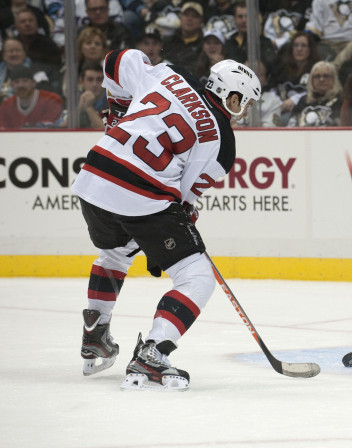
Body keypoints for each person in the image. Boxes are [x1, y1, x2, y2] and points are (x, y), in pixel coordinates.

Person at [72, 50, 261, 391]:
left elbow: (117, 59)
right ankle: (153, 352)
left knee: (115, 253)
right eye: (245, 102)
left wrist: (117, 114)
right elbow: (183, 198)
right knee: (196, 276)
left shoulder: (171, 74)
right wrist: (174, 234)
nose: (245, 110)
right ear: (233, 97)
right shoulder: (223, 142)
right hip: (139, 192)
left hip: (93, 176)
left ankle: (95, 335)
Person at [270, 32, 321, 118]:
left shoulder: (317, 69)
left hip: (303, 111)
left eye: (303, 46)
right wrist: (278, 102)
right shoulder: (281, 67)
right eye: (296, 45)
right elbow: (271, 88)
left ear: (310, 49)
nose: (299, 49)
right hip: (279, 108)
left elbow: (318, 92)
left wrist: (295, 99)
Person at [224, 2, 278, 70]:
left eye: (248, 16)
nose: (244, 20)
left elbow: (271, 67)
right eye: (240, 16)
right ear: (234, 19)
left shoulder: (265, 42)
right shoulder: (228, 43)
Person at [287, 60, 343, 127]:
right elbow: (291, 126)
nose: (321, 79)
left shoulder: (341, 101)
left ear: (334, 79)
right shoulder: (303, 100)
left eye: (326, 76)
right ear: (311, 80)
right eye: (317, 76)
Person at [162, 1, 206, 75]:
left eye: (194, 16)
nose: (189, 19)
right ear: (180, 17)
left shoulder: (204, 45)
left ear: (201, 21)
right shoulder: (168, 41)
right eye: (186, 15)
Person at [75, 63, 107, 129]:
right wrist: (79, 109)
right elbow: (61, 127)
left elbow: (107, 131)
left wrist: (89, 107)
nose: (94, 84)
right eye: (90, 79)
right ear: (81, 82)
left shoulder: (112, 102)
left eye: (99, 80)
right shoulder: (72, 99)